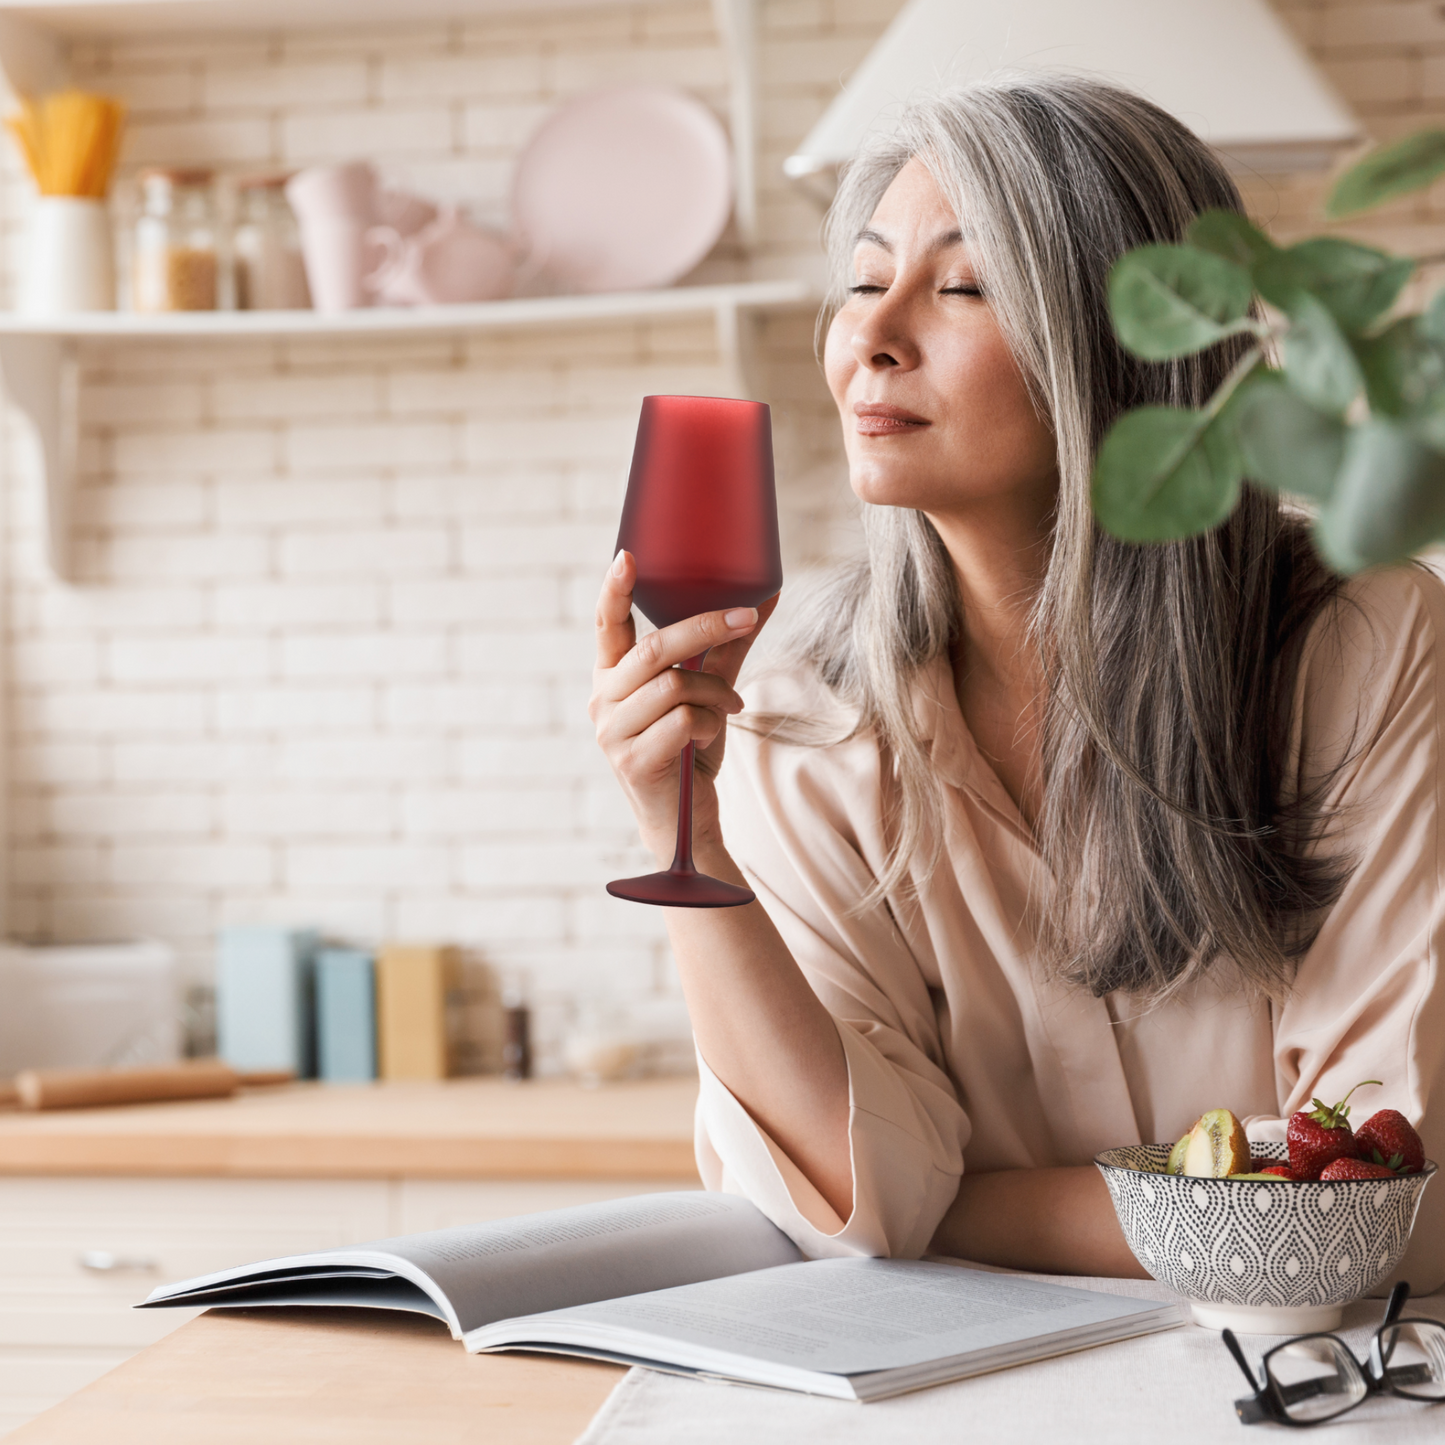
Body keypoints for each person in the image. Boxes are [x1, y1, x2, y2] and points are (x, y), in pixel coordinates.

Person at [589, 75, 1445, 1291]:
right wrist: (688, 846)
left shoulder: (1366, 645)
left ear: (1128, 351)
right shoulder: (799, 719)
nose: (870, 337)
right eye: (861, 279)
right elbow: (849, 1201)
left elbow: (1373, 1206)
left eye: (960, 286)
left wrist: (955, 1209)